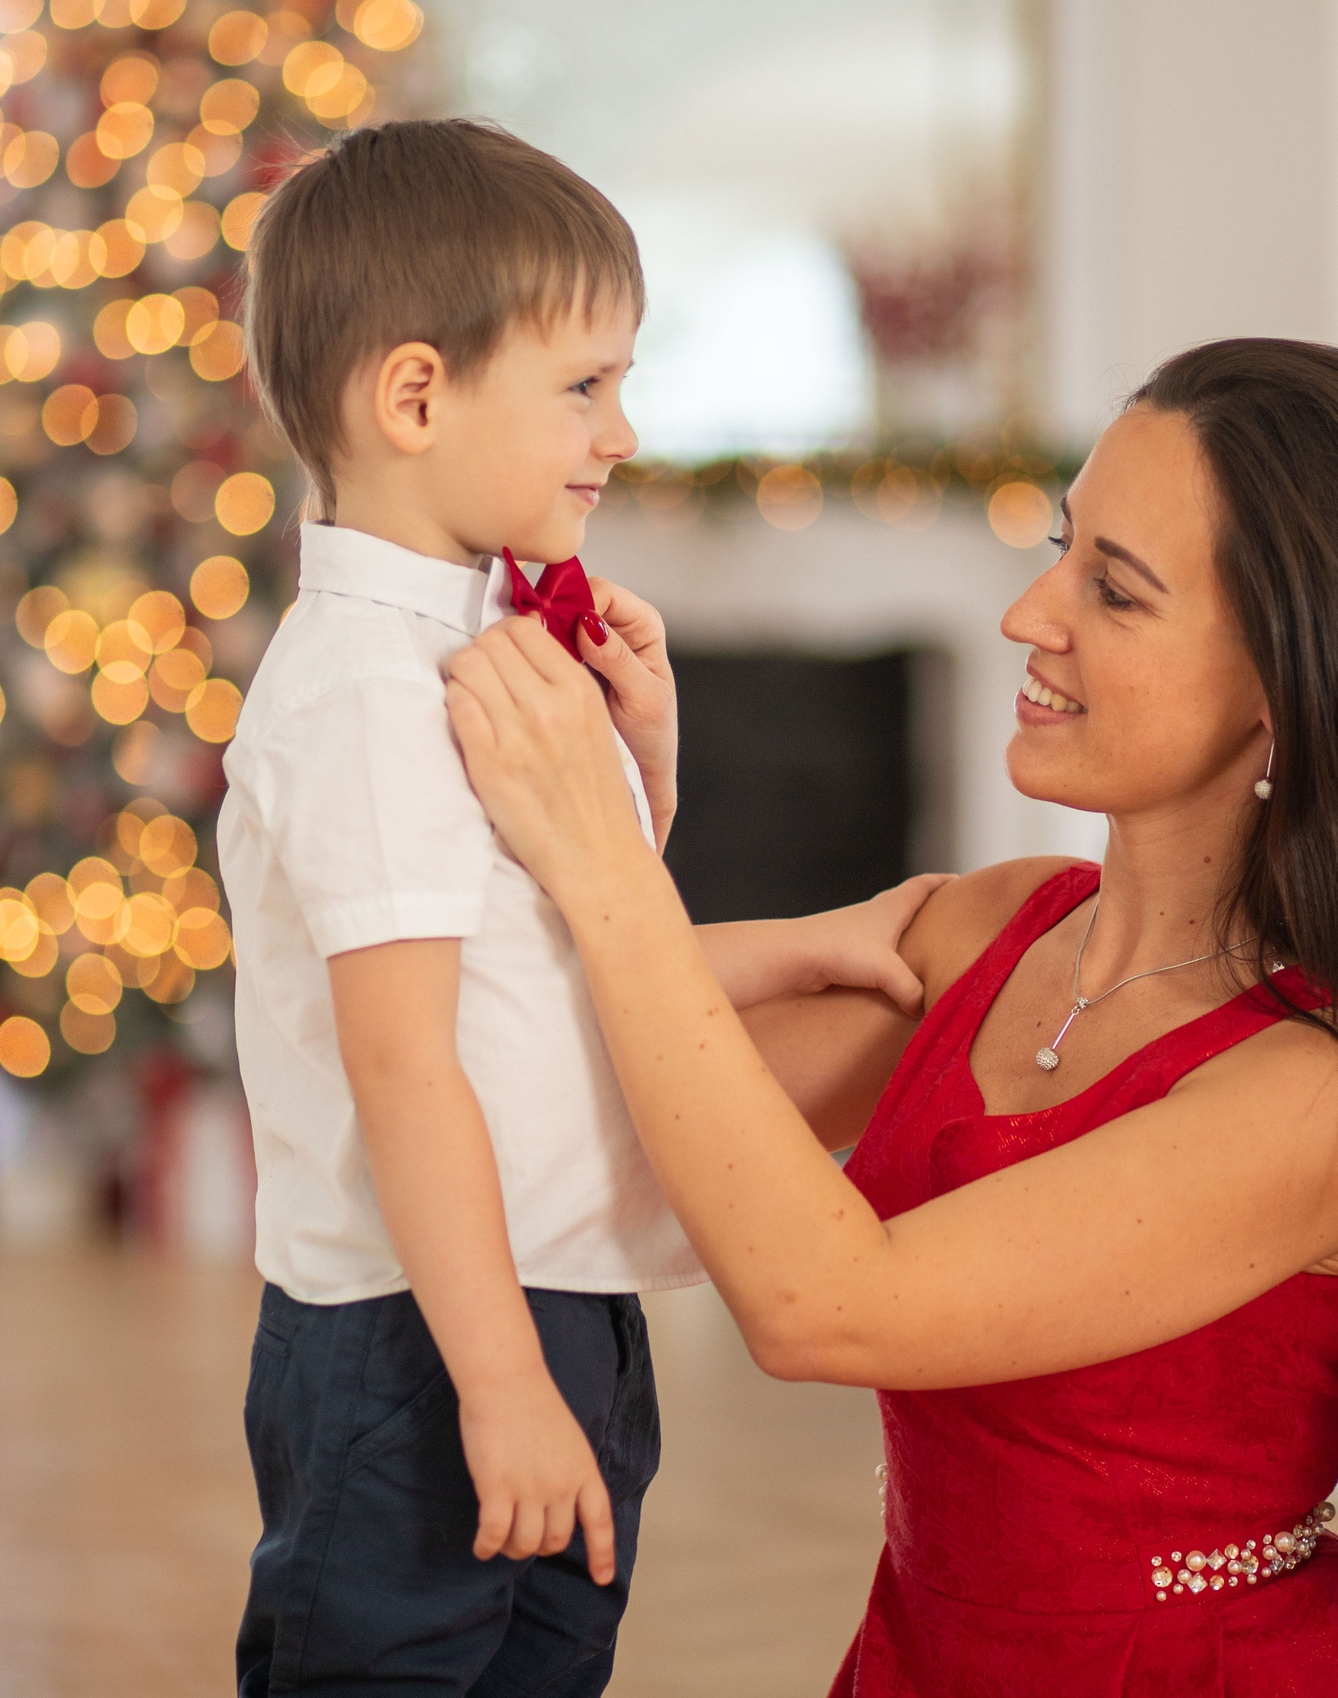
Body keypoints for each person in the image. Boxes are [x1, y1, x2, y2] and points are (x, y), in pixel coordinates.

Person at [442, 339, 1338, 1696]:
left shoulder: (1334, 1090)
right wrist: (632, 802)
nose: (1032, 613)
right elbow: (585, 1103)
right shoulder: (999, 924)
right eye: (1060, 544)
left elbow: (821, 1302)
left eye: (1115, 589)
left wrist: (608, 871)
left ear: (1285, 689)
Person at [218, 119, 938, 1697]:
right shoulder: (365, 694)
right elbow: (408, 1065)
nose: (623, 429)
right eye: (585, 386)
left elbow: (553, 958)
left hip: (561, 1299)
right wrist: (499, 1380)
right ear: (415, 396)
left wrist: (756, 884)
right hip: (424, 1334)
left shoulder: (490, 644)